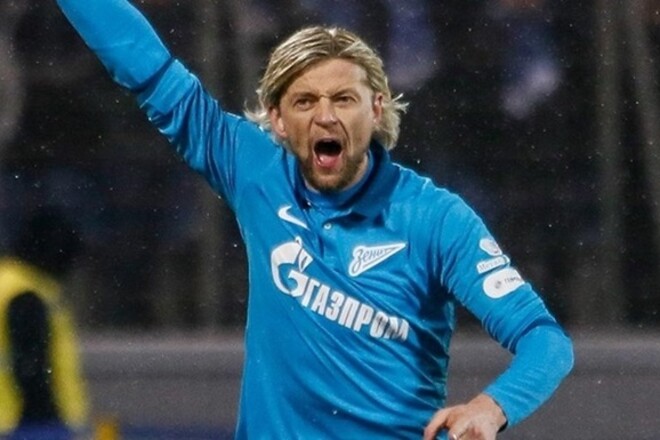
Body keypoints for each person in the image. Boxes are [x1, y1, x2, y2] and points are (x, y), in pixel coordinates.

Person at [53, 1, 574, 438]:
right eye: (304, 101)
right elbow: (146, 68)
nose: (325, 115)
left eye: (343, 99)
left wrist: (491, 407)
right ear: (277, 119)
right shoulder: (255, 171)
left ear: (377, 109)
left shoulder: (435, 219)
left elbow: (545, 340)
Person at [0, 206, 88, 439]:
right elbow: (32, 370)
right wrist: (50, 424)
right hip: (24, 425)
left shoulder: (7, 283)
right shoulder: (25, 294)